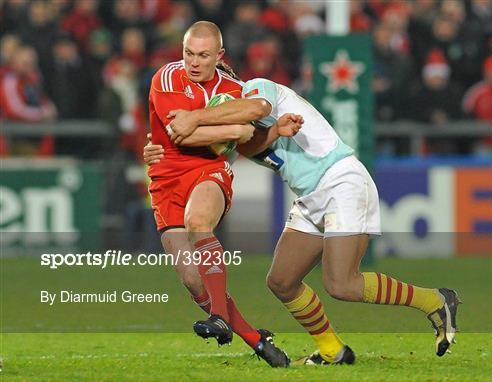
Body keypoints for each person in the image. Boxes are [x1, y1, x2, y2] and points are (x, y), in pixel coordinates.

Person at [146, 77, 461, 365]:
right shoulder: (233, 124)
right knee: (281, 281)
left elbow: (257, 107)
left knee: (341, 284)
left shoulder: (255, 88)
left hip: (339, 179)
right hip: (310, 196)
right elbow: (243, 146)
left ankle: (434, 300)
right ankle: (332, 350)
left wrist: (198, 118)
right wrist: (156, 149)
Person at [147, 20, 291, 367]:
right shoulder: (166, 78)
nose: (193, 62)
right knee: (193, 280)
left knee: (199, 222)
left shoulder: (232, 86)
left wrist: (250, 131)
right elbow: (183, 136)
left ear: (219, 55)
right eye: (188, 54)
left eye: (203, 55)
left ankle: (221, 320)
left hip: (207, 170)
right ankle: (256, 339)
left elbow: (259, 112)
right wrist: (234, 128)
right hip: (166, 177)